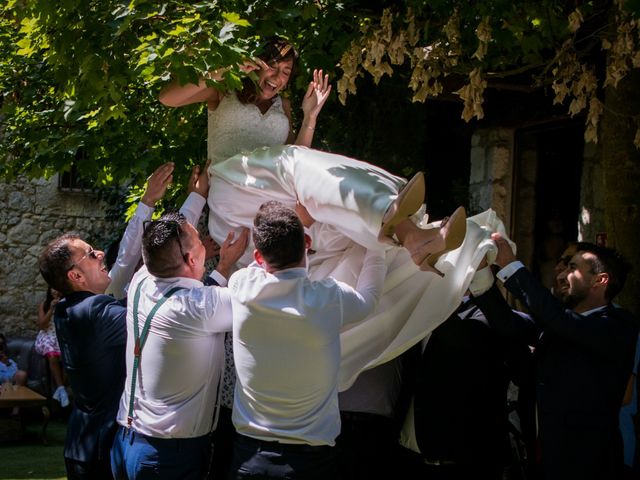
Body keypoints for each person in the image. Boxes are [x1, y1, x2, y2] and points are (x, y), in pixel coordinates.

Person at [227, 201, 386, 479]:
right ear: (308, 244)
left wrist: (301, 228)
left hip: (248, 458)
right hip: (308, 464)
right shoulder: (328, 297)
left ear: (258, 256)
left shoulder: (241, 286)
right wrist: (376, 244)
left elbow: (263, 261)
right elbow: (369, 300)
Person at [473, 235, 639, 480]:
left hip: (588, 467)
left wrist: (510, 265)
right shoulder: (558, 325)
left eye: (573, 267)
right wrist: (480, 273)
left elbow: (561, 321)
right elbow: (507, 322)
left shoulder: (618, 326)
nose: (561, 274)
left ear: (600, 280)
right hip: (545, 461)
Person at [109, 211, 247, 480]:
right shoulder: (199, 306)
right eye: (198, 241)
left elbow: (166, 256)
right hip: (168, 456)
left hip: (127, 441)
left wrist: (221, 268)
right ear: (192, 259)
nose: (203, 242)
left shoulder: (141, 281)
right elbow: (263, 296)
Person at [159, 36, 331, 164]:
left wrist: (310, 117)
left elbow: (295, 161)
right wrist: (224, 71)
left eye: (286, 72)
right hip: (227, 198)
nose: (277, 76)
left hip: (274, 199)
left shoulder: (283, 105)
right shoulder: (224, 89)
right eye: (272, 66)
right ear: (257, 63)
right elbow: (167, 98)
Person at [35, 286, 69, 407]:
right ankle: (61, 389)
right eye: (53, 288)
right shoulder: (44, 304)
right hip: (48, 335)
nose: (55, 291)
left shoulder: (67, 303)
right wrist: (51, 309)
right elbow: (42, 325)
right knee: (52, 355)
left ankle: (60, 390)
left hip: (62, 335)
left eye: (57, 288)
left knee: (68, 357)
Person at [0, 333, 28, 416]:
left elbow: (15, 374)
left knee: (22, 374)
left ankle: (15, 411)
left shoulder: (9, 361)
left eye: (1, 345)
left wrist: (6, 363)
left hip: (9, 385)